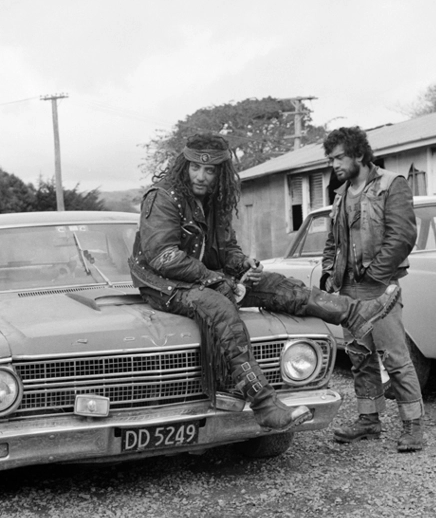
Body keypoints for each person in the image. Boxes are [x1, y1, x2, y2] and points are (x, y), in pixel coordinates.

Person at [129, 133, 400, 433]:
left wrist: (244, 264)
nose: (201, 176)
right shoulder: (163, 197)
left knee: (278, 285)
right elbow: (164, 257)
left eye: (209, 170)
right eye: (195, 168)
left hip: (203, 278)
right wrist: (216, 279)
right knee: (220, 309)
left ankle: (354, 313)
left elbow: (225, 251)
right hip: (162, 285)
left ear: (220, 172)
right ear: (184, 165)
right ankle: (265, 405)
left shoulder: (213, 201)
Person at [320, 126, 425, 452]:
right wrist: (328, 274)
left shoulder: (392, 185)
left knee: (394, 356)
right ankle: (369, 420)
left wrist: (376, 279)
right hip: (348, 288)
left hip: (380, 288)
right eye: (331, 159)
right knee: (359, 357)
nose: (334, 164)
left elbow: (402, 236)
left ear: (359, 155)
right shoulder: (340, 195)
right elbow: (332, 242)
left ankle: (413, 425)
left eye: (339, 157)